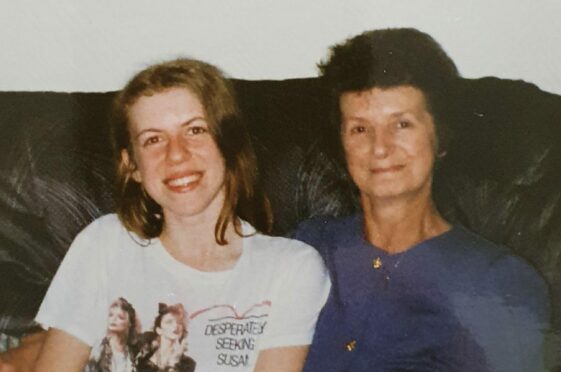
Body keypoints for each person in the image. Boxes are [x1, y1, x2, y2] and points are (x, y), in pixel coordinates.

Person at [28, 58, 330, 372]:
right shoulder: (104, 243)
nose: (175, 154)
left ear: (230, 143)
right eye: (153, 139)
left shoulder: (291, 268)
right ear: (132, 166)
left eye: (195, 130)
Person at [295, 28, 551, 372]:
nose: (380, 147)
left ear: (440, 137)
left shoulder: (499, 282)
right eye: (359, 129)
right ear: (340, 145)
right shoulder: (310, 245)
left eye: (402, 124)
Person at [135, 303, 195, 372]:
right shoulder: (143, 360)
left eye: (179, 322)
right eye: (169, 322)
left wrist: (174, 361)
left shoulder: (188, 364)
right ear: (159, 330)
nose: (175, 326)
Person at [85, 298, 138, 372]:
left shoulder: (132, 355)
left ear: (129, 323)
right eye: (111, 315)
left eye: (120, 317)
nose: (114, 319)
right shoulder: (98, 348)